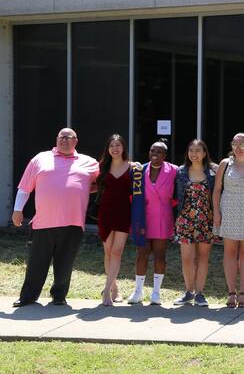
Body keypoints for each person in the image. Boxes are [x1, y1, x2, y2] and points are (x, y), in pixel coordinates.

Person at [11, 128, 99, 307]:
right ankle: (27, 297)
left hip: (74, 222)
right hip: (44, 221)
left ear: (76, 141)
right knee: (37, 262)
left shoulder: (89, 163)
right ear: (56, 139)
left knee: (65, 263)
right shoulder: (40, 158)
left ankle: (59, 296)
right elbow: (25, 187)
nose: (64, 140)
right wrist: (17, 209)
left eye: (68, 138)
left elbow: (106, 179)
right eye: (61, 137)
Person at [213, 133, 244, 308]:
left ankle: (243, 292)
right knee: (230, 252)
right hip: (228, 212)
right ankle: (231, 292)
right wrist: (217, 214)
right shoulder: (225, 164)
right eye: (235, 144)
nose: (238, 148)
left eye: (242, 145)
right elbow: (217, 190)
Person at [127, 140, 178, 305]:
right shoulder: (138, 170)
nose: (155, 154)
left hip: (163, 218)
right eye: (152, 150)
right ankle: (138, 291)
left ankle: (156, 293)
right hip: (143, 217)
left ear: (165, 155)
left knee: (160, 255)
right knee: (141, 253)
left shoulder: (174, 171)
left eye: (159, 151)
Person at [173, 139, 218, 307]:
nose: (194, 153)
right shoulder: (181, 172)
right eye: (191, 150)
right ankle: (188, 292)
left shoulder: (212, 173)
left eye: (198, 150)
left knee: (203, 257)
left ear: (204, 153)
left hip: (206, 220)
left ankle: (199, 293)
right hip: (185, 220)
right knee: (187, 258)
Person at [95, 134, 136, 306]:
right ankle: (114, 288)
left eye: (118, 145)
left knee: (117, 252)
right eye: (112, 145)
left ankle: (106, 291)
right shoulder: (102, 166)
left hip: (124, 212)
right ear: (108, 148)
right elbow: (93, 186)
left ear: (123, 147)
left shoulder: (133, 167)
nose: (115, 148)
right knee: (108, 252)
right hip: (106, 212)